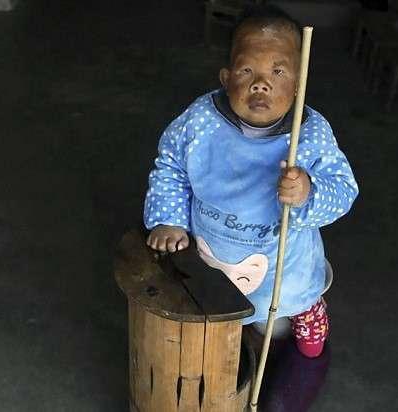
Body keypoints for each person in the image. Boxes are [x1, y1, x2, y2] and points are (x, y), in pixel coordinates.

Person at [143, 6, 358, 358]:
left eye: (278, 71)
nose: (261, 83)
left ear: (298, 84)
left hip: (283, 270)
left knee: (285, 327)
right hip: (215, 258)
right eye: (247, 70)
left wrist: (308, 192)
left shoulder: (309, 134)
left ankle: (305, 317)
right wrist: (169, 221)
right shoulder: (201, 121)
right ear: (226, 78)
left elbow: (344, 189)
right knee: (221, 321)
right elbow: (171, 166)